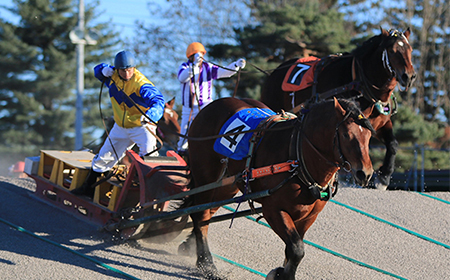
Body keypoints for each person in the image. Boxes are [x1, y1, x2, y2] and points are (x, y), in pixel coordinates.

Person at [71, 50, 165, 197]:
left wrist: (150, 115)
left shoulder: (142, 84)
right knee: (103, 157)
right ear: (117, 69)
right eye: (123, 70)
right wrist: (102, 69)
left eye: (129, 70)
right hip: (120, 127)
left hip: (142, 126)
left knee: (149, 158)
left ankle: (151, 196)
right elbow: (97, 72)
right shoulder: (112, 76)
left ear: (134, 68)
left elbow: (159, 101)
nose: (127, 74)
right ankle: (88, 190)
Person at [176, 42, 246, 153]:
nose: (200, 57)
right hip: (188, 108)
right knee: (185, 132)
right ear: (191, 56)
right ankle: (181, 152)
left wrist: (236, 65)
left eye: (201, 54)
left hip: (206, 105)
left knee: (212, 127)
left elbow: (225, 72)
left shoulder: (208, 67)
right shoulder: (185, 66)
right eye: (197, 54)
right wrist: (194, 66)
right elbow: (182, 78)